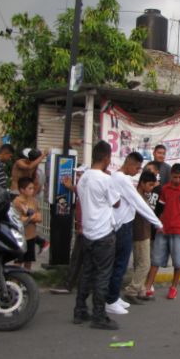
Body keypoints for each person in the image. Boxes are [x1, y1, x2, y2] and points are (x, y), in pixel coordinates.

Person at [106, 152, 163, 315]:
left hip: (121, 225)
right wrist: (157, 222)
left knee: (119, 265)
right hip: (122, 227)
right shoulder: (122, 179)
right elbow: (139, 204)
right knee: (120, 265)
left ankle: (113, 297)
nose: (138, 171)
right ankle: (111, 300)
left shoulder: (117, 177)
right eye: (137, 168)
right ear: (129, 164)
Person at [73, 141, 121, 330]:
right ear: (107, 158)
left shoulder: (83, 178)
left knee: (87, 272)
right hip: (103, 234)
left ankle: (79, 310)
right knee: (103, 275)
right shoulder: (105, 179)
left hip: (88, 233)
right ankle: (99, 315)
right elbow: (116, 203)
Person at [144, 163, 180, 300]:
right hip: (163, 231)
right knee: (155, 260)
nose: (177, 180)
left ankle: (173, 288)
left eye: (179, 177)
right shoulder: (165, 189)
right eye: (174, 177)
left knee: (177, 262)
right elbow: (160, 209)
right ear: (171, 175)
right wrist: (160, 224)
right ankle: (148, 287)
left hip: (178, 232)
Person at [49, 165, 87, 295]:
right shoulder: (82, 188)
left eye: (80, 174)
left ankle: (69, 285)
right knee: (82, 258)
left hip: (85, 229)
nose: (77, 177)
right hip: (85, 228)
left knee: (77, 257)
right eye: (77, 174)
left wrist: (81, 226)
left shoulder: (85, 188)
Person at [123, 170, 159, 302]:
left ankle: (141, 290)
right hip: (140, 234)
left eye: (153, 186)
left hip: (144, 233)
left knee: (140, 264)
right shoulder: (137, 196)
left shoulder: (143, 195)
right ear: (142, 183)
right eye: (149, 185)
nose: (151, 188)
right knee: (145, 264)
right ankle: (132, 291)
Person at [12, 177, 42, 271]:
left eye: (33, 188)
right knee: (19, 261)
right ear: (22, 190)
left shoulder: (34, 201)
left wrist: (31, 217)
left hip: (31, 235)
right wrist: (31, 217)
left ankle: (26, 281)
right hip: (20, 236)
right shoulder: (17, 202)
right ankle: (15, 281)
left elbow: (39, 217)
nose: (32, 190)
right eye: (29, 188)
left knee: (28, 261)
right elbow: (18, 218)